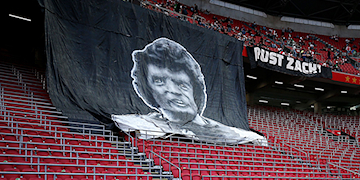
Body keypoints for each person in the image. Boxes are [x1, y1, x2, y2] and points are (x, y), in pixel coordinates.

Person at [112, 38, 267, 145]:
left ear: (195, 88)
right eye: (159, 81)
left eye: (181, 84)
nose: (173, 91)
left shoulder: (232, 134)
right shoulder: (139, 124)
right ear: (148, 91)